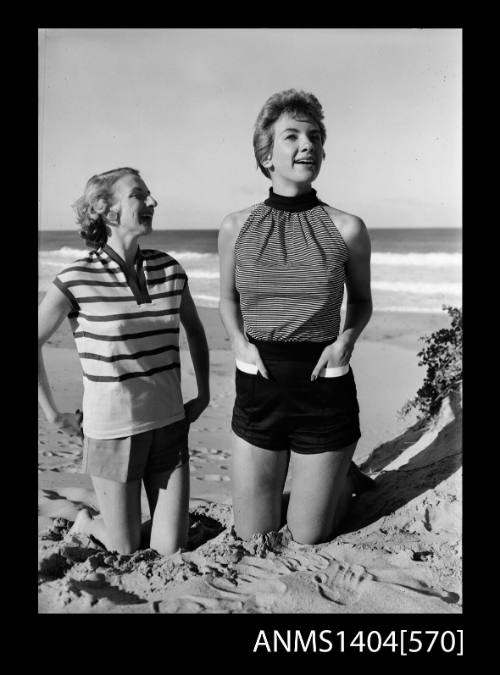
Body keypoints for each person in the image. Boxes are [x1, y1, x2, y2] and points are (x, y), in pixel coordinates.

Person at [218, 89, 374, 545]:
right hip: (258, 391)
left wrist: (347, 339)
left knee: (307, 537)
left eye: (315, 136)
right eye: (292, 136)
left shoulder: (348, 227)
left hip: (324, 394)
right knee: (253, 536)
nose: (308, 145)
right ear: (266, 155)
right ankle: (321, 478)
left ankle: (340, 477)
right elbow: (228, 299)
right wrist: (238, 343)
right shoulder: (236, 226)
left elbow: (361, 302)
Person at [38, 167, 210, 555]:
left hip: (169, 423)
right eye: (139, 195)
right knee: (125, 548)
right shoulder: (77, 277)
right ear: (106, 208)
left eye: (150, 195)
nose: (152, 202)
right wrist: (51, 413)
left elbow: (196, 331)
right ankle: (85, 519)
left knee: (171, 550)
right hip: (112, 433)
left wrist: (203, 394)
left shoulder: (169, 269)